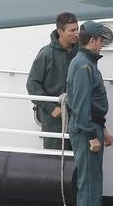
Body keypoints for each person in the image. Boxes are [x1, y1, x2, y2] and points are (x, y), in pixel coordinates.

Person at [65, 21, 113, 206]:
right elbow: (82, 103)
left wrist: (101, 128)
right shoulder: (84, 66)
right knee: (90, 186)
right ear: (93, 41)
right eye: (101, 40)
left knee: (91, 184)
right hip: (86, 132)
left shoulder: (84, 63)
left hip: (92, 128)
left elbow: (89, 105)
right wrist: (90, 135)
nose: (102, 45)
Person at [27, 11, 80, 149]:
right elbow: (32, 84)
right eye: (72, 30)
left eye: (77, 29)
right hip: (54, 120)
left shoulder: (81, 52)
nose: (76, 33)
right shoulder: (46, 54)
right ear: (60, 31)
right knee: (55, 162)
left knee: (78, 162)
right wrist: (51, 108)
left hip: (78, 116)